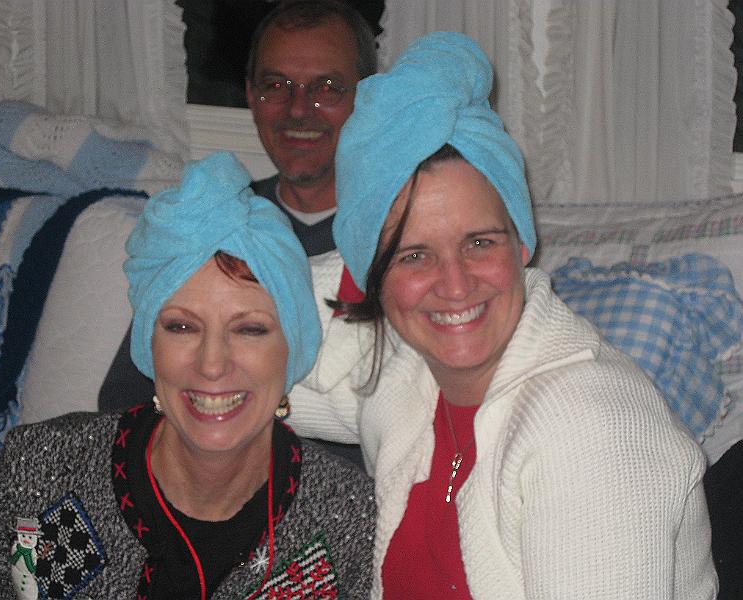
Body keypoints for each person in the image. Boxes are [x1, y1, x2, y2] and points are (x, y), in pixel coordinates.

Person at [296, 32, 718, 598]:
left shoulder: (594, 435)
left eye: (480, 243)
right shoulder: (413, 381)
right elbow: (243, 356)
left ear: (522, 245)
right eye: (414, 254)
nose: (454, 284)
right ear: (373, 277)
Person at [0, 152, 376, 599]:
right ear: (149, 344)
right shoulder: (37, 471)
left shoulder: (352, 524)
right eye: (182, 326)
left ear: (293, 350)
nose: (212, 364)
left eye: (249, 329)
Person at [99, 2, 379, 470]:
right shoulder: (211, 223)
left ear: (366, 98)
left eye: (326, 88)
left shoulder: (409, 245)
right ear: (250, 94)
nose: (297, 109)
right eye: (275, 86)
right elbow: (124, 403)